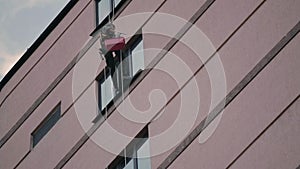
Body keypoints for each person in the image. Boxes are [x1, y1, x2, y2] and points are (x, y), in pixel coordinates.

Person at [99, 23, 120, 93]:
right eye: (111, 30)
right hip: (107, 50)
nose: (112, 31)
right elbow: (104, 40)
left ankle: (124, 75)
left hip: (110, 46)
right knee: (112, 67)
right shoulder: (104, 33)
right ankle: (116, 86)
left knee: (119, 55)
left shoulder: (109, 33)